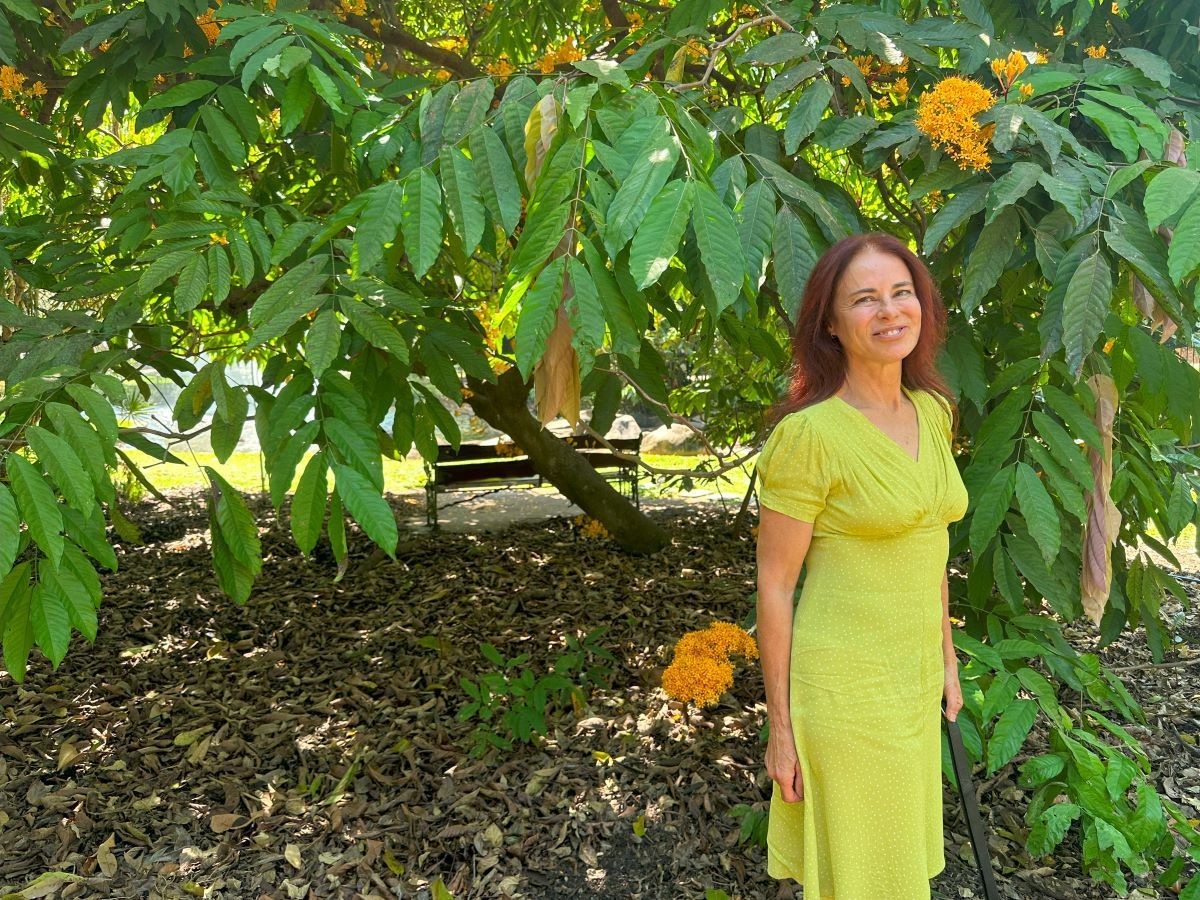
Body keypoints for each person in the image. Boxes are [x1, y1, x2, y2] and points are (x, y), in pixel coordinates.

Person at [755, 232, 969, 899]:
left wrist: (947, 659)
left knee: (899, 863)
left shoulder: (934, 412)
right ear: (830, 322)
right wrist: (781, 729)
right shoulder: (809, 435)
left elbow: (928, 545)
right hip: (843, 694)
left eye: (902, 293)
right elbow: (775, 584)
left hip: (911, 681)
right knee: (861, 877)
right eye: (865, 299)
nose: (890, 311)